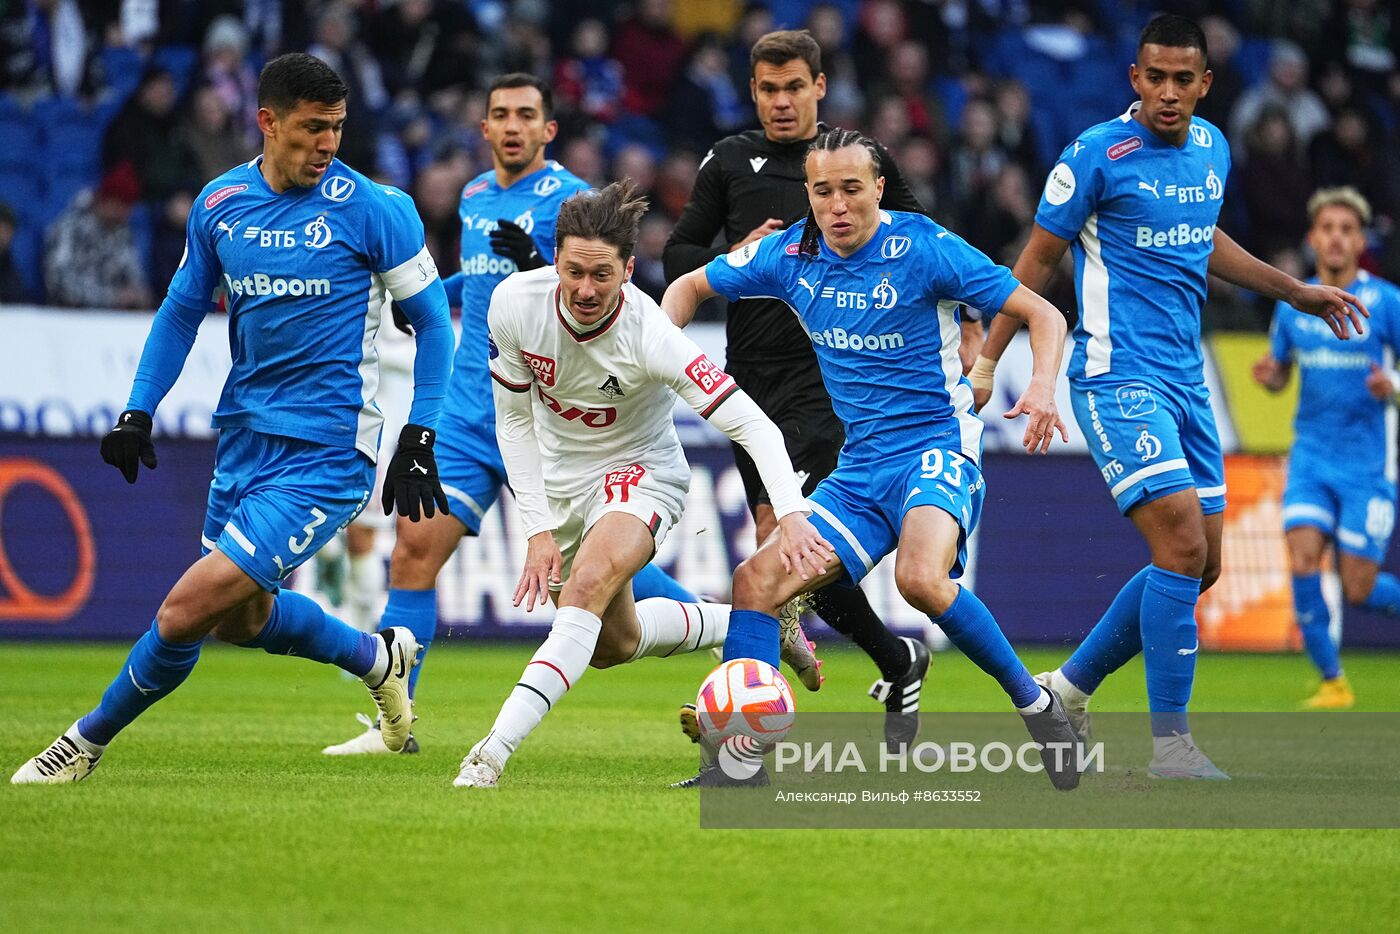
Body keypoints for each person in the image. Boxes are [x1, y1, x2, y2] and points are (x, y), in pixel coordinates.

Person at [12, 53, 454, 785]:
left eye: (337, 129)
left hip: (327, 454)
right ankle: (380, 658)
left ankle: (81, 744)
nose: (328, 145)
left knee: (186, 609)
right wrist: (136, 409)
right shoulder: (220, 205)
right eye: (313, 129)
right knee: (240, 620)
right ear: (268, 122)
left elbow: (435, 326)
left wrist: (421, 434)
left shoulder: (376, 208)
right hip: (245, 442)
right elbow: (183, 308)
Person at [969, 16, 1368, 779]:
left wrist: (1294, 293)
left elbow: (1203, 236)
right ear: (1135, 78)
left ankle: (1068, 688)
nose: (1169, 93)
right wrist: (991, 360)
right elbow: (1034, 264)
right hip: (1117, 378)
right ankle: (1172, 748)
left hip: (1189, 381)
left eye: (1185, 80)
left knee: (1201, 564)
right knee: (1181, 546)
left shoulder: (1213, 148)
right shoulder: (1094, 155)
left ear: (1205, 84)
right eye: (1156, 77)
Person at [664, 128, 1085, 791]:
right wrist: (666, 357)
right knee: (756, 583)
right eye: (823, 191)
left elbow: (1043, 313)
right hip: (860, 470)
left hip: (935, 447)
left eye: (852, 190)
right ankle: (736, 765)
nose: (838, 206)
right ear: (808, 193)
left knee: (921, 579)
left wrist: (1037, 385)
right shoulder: (786, 255)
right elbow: (689, 286)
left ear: (879, 188)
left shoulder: (922, 246)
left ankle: (1037, 704)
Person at [321, 74, 700, 756]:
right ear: (485, 128)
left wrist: (539, 271)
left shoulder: (570, 202)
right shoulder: (472, 195)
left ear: (549, 129)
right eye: (501, 115)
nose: (514, 125)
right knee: (411, 551)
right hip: (473, 408)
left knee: (603, 573)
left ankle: (737, 628)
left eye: (528, 114)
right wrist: (429, 296)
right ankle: (392, 727)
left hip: (554, 415)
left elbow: (598, 290)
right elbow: (481, 279)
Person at [663, 29, 985, 748]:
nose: (781, 101)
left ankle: (741, 710)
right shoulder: (727, 161)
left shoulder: (855, 163)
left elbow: (925, 240)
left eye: (794, 88)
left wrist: (971, 327)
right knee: (794, 550)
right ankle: (895, 657)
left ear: (818, 88)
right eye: (768, 89)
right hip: (750, 384)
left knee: (786, 539)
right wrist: (736, 255)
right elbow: (678, 254)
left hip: (835, 385)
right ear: (754, 92)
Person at [453, 179, 825, 789]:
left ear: (628, 269)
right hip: (562, 485)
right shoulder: (513, 305)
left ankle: (489, 754)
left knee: (587, 589)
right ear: (555, 259)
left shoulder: (652, 335)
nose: (585, 289)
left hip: (642, 475)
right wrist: (538, 528)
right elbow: (514, 421)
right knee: (610, 644)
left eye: (602, 274)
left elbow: (755, 426)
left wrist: (789, 514)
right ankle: (746, 622)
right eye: (573, 271)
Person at [1253, 187, 1400, 709]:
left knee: (1358, 588)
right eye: (1327, 228)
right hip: (1311, 459)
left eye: (1346, 229)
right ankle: (1333, 682)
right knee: (1302, 558)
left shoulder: (1387, 303)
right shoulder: (1295, 307)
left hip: (1368, 468)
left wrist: (1394, 388)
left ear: (1360, 241)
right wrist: (1271, 377)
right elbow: (1281, 371)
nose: (1336, 238)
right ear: (1313, 238)